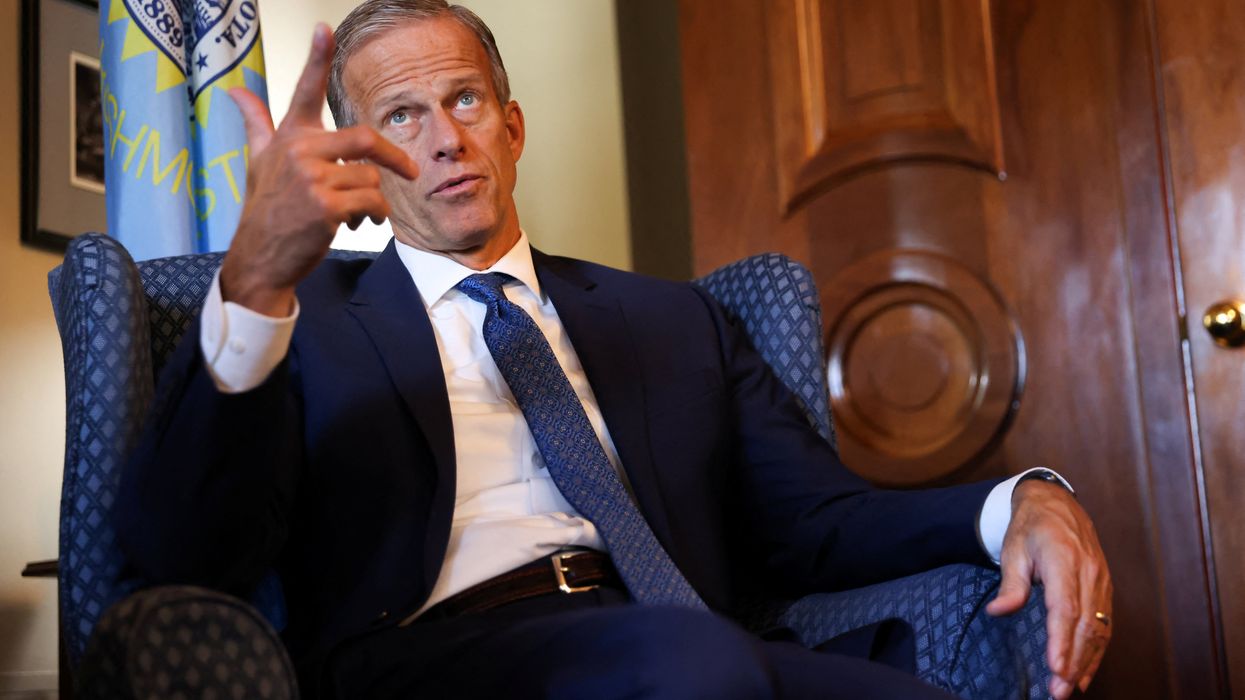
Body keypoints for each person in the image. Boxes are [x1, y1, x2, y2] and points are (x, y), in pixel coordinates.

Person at [117, 1, 1112, 698]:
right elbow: (183, 554)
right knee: (694, 667)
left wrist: (1017, 498)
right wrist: (252, 284)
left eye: (464, 102)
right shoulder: (301, 316)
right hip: (440, 657)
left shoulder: (677, 319)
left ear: (511, 128)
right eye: (400, 120)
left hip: (697, 644)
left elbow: (821, 521)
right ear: (365, 169)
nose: (445, 140)